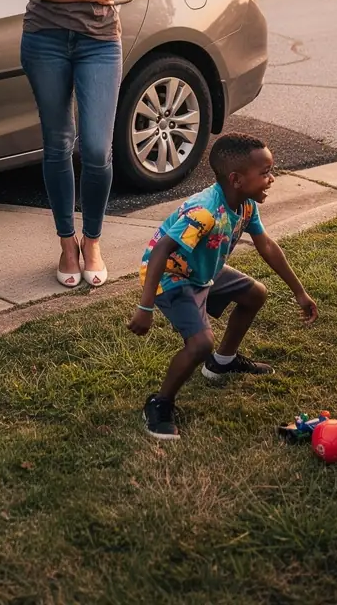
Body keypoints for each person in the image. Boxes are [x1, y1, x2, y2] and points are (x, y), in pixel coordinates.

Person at [17, 0, 176, 289]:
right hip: (45, 37)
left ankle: (92, 240)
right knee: (57, 143)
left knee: (96, 148)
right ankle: (66, 242)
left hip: (99, 42)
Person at [130, 134, 318, 440]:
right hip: (172, 277)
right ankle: (159, 402)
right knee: (200, 344)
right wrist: (145, 306)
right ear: (236, 179)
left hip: (205, 271)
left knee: (255, 293)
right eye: (265, 173)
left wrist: (299, 291)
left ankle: (222, 363)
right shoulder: (205, 212)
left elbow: (266, 246)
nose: (272, 178)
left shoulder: (245, 204)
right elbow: (162, 250)